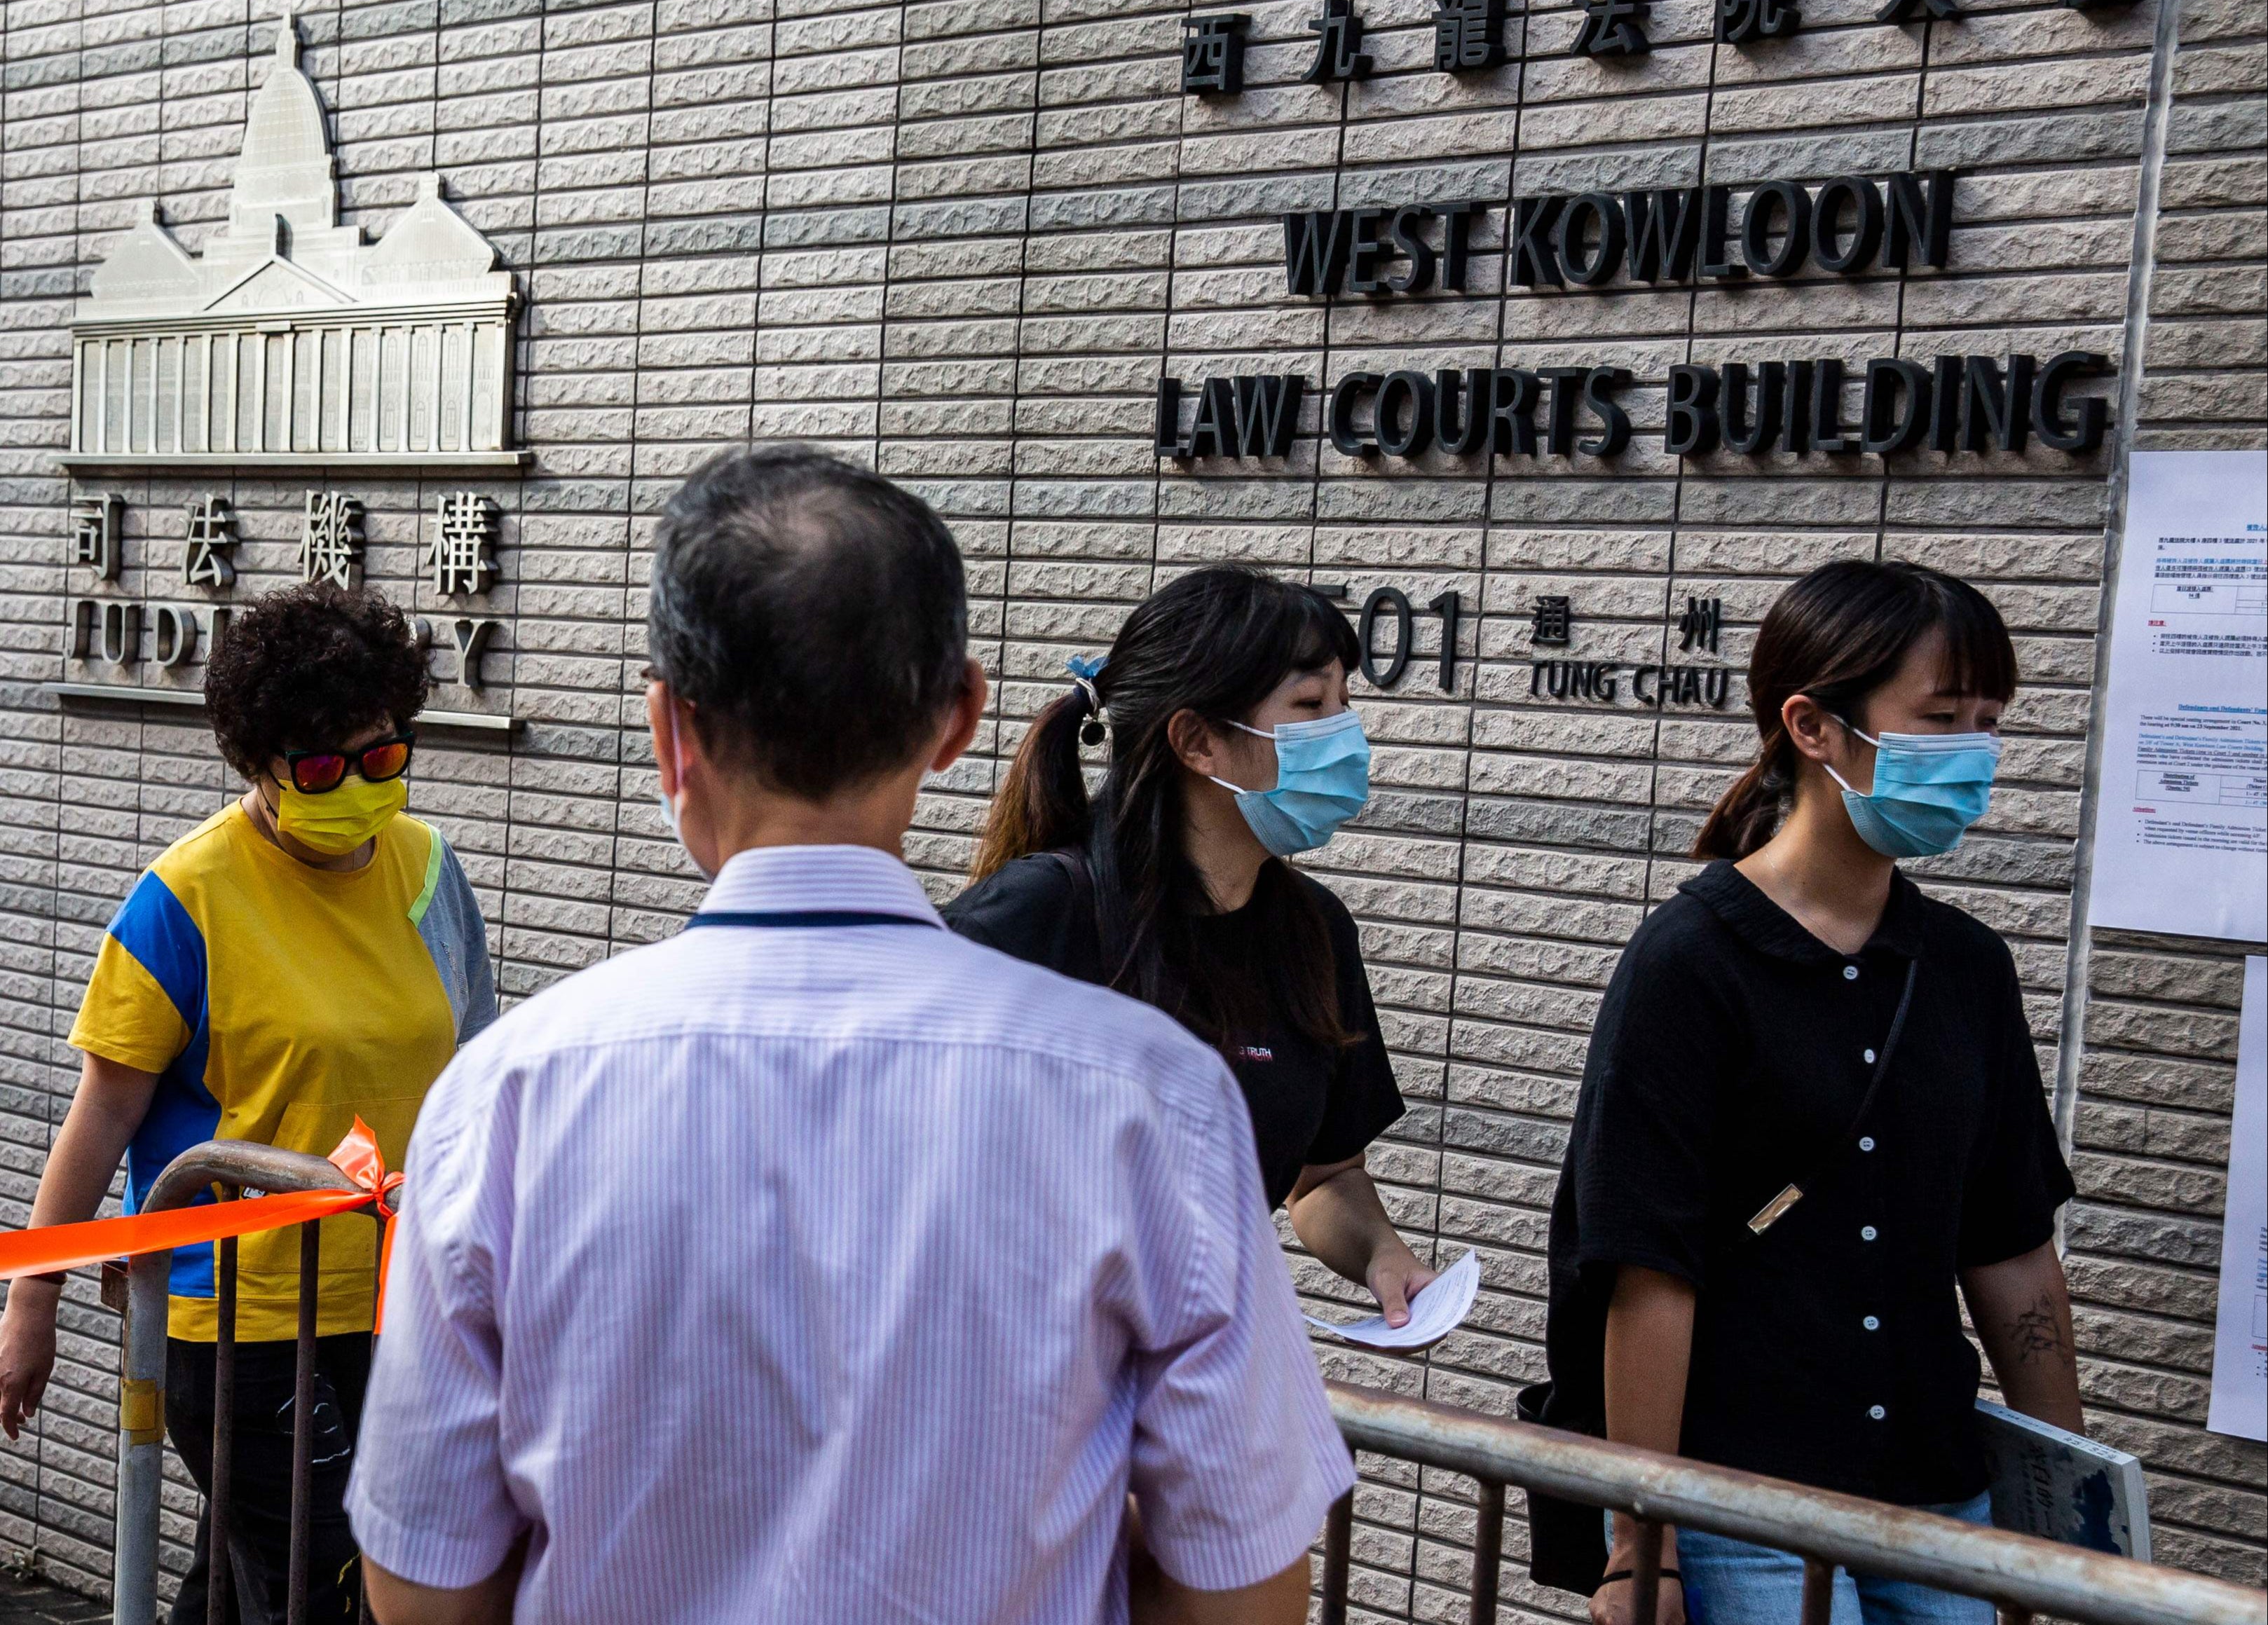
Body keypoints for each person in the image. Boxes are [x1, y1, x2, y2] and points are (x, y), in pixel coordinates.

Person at [346, 448, 1353, 1625]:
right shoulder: (1154, 1095)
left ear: (670, 725)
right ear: (957, 718)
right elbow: (1246, 1585)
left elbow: (423, 1585)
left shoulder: (507, 1092)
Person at [1543, 560, 2083, 1625]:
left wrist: (2067, 1524)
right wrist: (1639, 1545)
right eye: (1938, 721)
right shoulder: (1690, 962)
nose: (1971, 756)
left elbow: (2013, 1247)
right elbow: (1647, 1269)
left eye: (1988, 722)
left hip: (1938, 1494)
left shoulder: (1967, 967)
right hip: (1740, 1506)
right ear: (1814, 726)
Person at [0, 582, 495, 1624]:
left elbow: (475, 1066)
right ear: (258, 762)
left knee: (236, 1589)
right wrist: (30, 1304)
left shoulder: (428, 869)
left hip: (399, 1304)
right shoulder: (187, 896)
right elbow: (103, 1113)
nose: (357, 784)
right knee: (328, 1585)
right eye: (320, 766)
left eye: (383, 755)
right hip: (243, 1323)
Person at [945, 565, 1438, 1330]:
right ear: (1197, 741)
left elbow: (1322, 1176)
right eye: (1309, 707)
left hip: (1196, 1383)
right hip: (1020, 1384)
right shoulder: (1037, 918)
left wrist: (1380, 1252)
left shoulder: (1315, 932)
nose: (1344, 739)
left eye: (1345, 707)